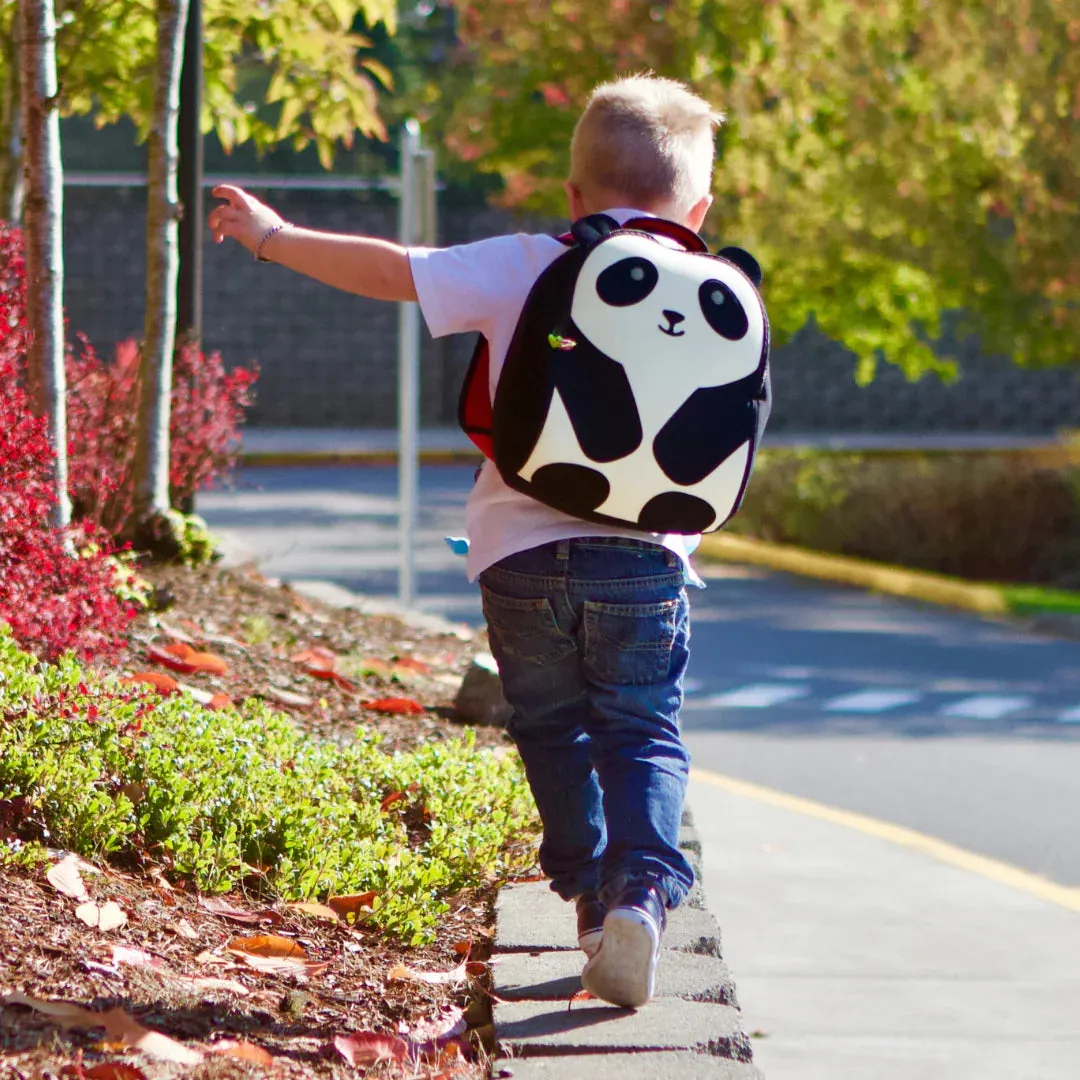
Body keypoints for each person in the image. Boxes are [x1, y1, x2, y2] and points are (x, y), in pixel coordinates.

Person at [208, 73, 723, 1009]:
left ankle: (586, 897)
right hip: (649, 560)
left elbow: (394, 270)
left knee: (552, 728)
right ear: (700, 206)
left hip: (518, 554)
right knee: (642, 728)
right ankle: (642, 893)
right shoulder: (720, 290)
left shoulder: (533, 259)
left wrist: (274, 238)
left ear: (572, 196)